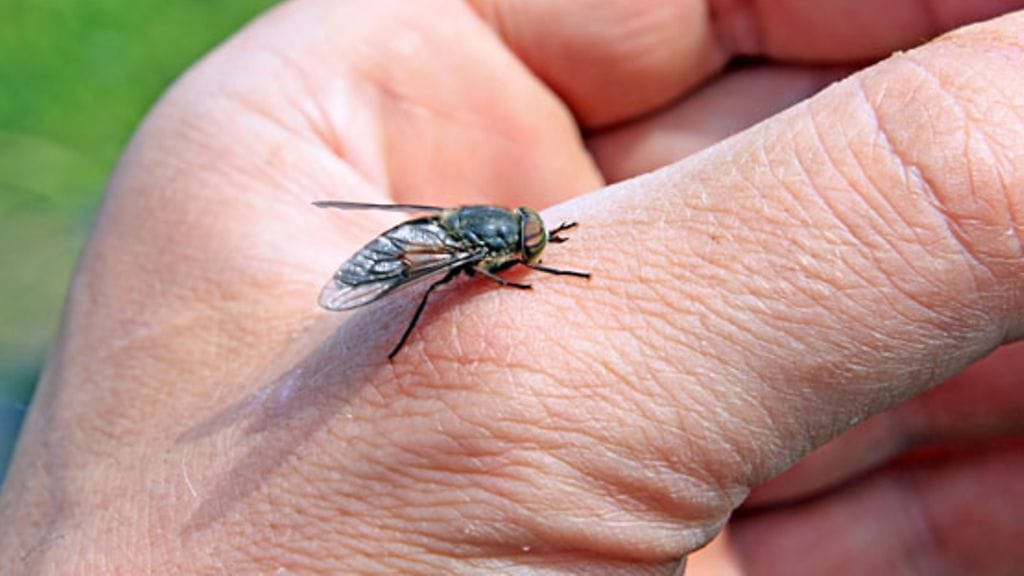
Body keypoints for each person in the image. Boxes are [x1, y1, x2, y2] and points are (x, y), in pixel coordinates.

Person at [3, 1, 1023, 573]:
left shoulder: (501, 229)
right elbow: (457, 258)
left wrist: (536, 251)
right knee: (414, 288)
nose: (528, 248)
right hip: (420, 253)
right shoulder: (472, 253)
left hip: (436, 234)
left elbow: (502, 240)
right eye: (525, 246)